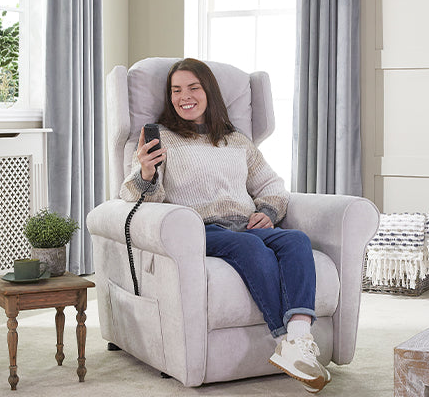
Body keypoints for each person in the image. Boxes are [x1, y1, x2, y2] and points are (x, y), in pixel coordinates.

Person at [120, 58, 330, 392]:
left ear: (209, 92)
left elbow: (273, 186)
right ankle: (285, 337)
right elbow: (138, 198)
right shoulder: (159, 138)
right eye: (176, 90)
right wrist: (145, 172)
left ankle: (299, 341)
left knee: (297, 241)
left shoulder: (237, 141)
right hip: (200, 227)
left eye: (193, 88)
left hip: (246, 223)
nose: (184, 96)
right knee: (250, 246)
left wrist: (267, 211)